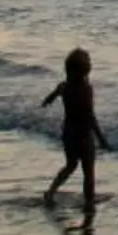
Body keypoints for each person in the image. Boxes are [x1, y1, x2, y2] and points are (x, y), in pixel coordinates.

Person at [41, 47, 108, 205]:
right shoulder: (86, 89)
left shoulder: (64, 86)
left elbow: (52, 96)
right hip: (83, 134)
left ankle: (51, 191)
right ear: (86, 70)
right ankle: (89, 200)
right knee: (88, 171)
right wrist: (101, 139)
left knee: (71, 164)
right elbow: (90, 116)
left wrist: (48, 101)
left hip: (69, 133)